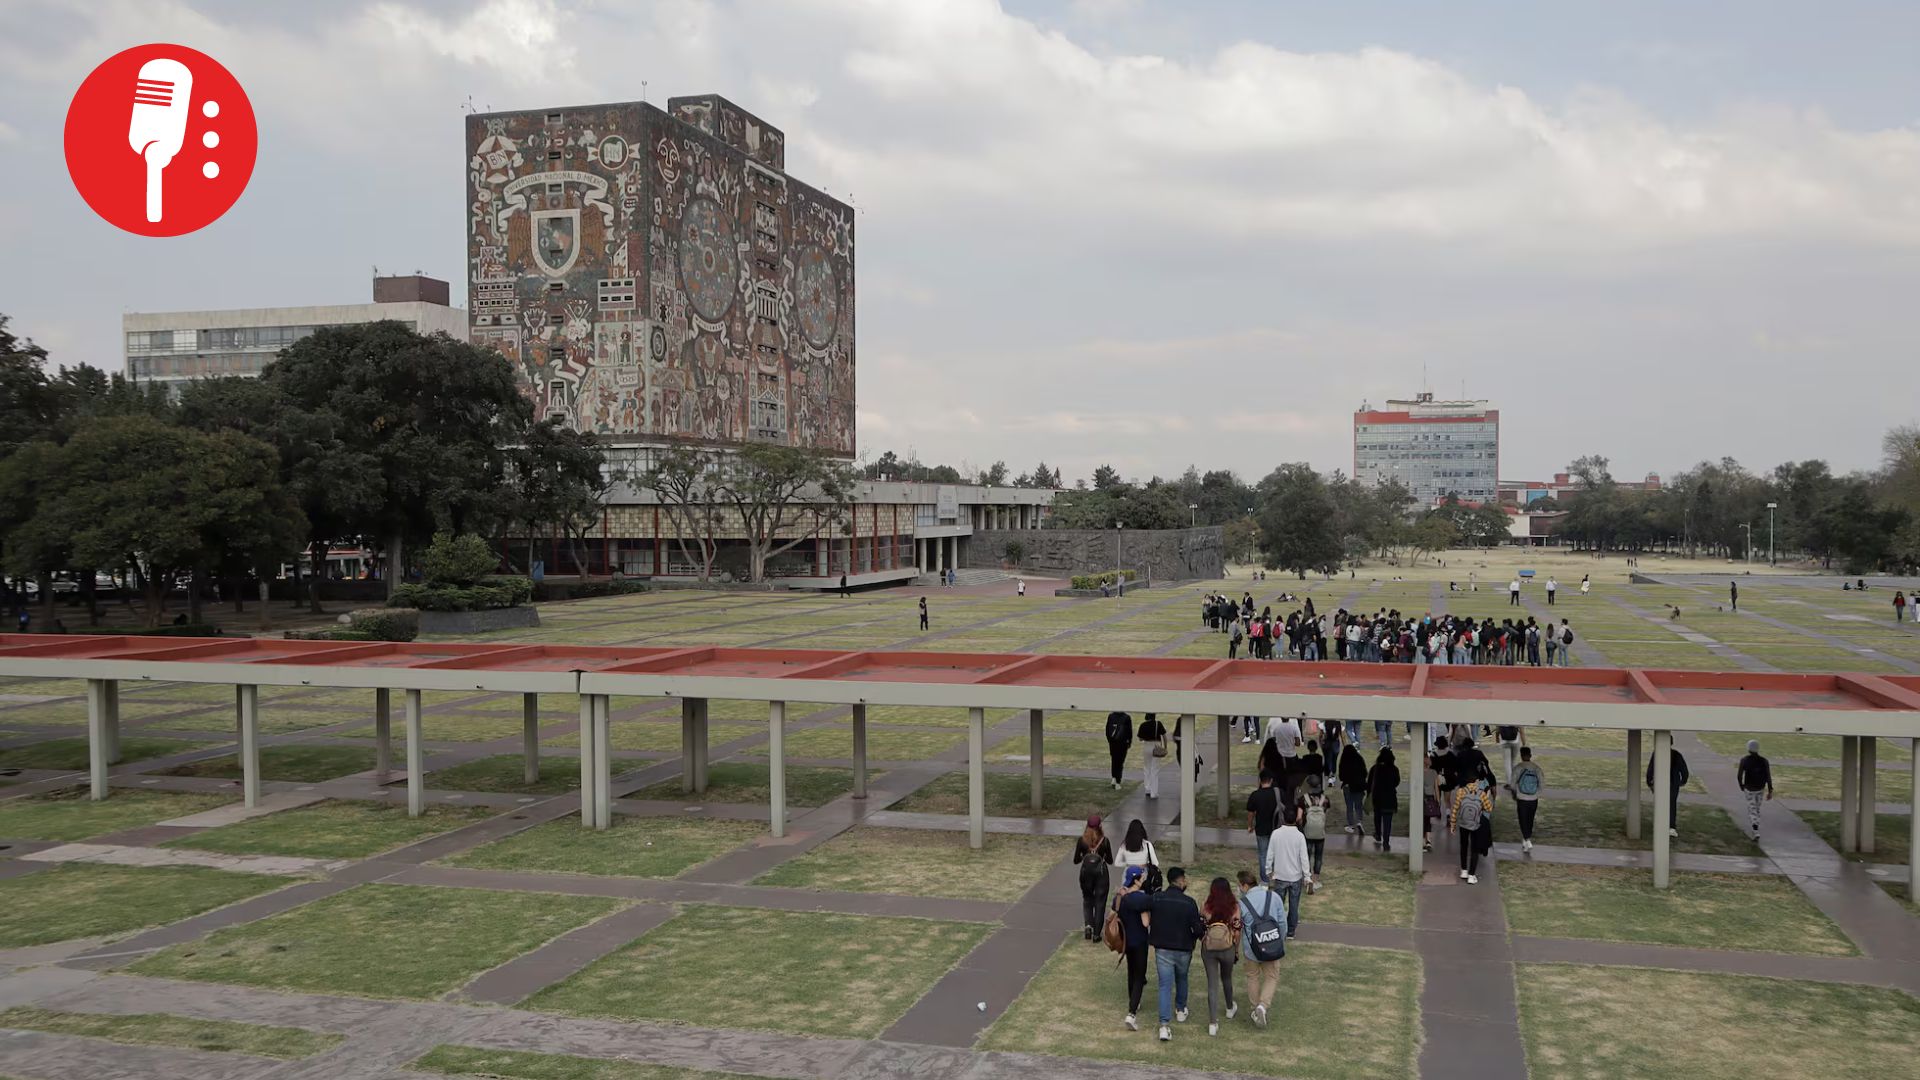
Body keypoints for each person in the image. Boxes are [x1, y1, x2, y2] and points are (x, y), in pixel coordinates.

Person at [1148, 866, 1206, 1042]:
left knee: (1165, 985)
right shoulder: (1189, 902)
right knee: (1182, 978)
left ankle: (1164, 1025)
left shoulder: (1156, 898)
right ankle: (1181, 1009)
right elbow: (1197, 929)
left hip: (1163, 948)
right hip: (1183, 948)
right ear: (1180, 880)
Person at [1235, 869, 1283, 1028]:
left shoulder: (1242, 904)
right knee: (1272, 976)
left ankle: (1255, 1008)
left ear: (1244, 885)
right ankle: (1263, 1005)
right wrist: (1278, 941)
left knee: (1252, 977)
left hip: (1252, 950)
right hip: (1272, 945)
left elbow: (1238, 928)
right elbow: (1282, 922)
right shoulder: (1273, 897)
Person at [1199, 876, 1241, 1036]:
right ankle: (1230, 1007)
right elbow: (1237, 930)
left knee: (1212, 984)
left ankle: (1212, 1022)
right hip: (1227, 947)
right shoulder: (1234, 906)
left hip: (1209, 948)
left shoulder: (1206, 905)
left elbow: (1201, 926)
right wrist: (1236, 949)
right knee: (1227, 978)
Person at [1113, 865, 1153, 1031]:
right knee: (1139, 975)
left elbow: (1112, 914)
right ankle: (1131, 1013)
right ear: (1136, 880)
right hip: (1140, 941)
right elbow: (1145, 923)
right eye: (1141, 877)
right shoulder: (1141, 899)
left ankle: (1133, 1003)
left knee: (1131, 971)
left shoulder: (1119, 898)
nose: (1143, 879)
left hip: (1126, 941)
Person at [1263, 805, 1310, 939]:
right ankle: (1290, 931)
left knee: (1278, 905)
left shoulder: (1276, 834)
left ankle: (1277, 929)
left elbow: (1270, 854)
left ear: (1283, 818)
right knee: (1294, 905)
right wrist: (1307, 876)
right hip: (1295, 877)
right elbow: (1304, 857)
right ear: (1295, 818)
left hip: (1280, 875)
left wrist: (1268, 870)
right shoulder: (1300, 836)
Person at [1074, 814, 1114, 940]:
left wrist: (1085, 857)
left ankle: (1088, 925)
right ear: (1100, 826)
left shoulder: (1082, 840)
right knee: (1100, 902)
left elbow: (1076, 860)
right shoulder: (1105, 841)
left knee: (1087, 899)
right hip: (1101, 874)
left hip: (1086, 874)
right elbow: (1110, 860)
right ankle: (1097, 934)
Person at [1452, 773, 1494, 883]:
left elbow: (1455, 809)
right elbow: (1489, 809)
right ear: (1476, 781)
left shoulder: (1461, 792)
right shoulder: (1481, 794)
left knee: (1464, 846)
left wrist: (1452, 824)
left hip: (1463, 823)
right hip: (1476, 824)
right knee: (1475, 849)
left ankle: (1464, 870)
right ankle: (1472, 875)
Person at [1644, 746, 1691, 837]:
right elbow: (1684, 769)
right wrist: (1683, 781)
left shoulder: (1657, 754)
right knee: (1672, 804)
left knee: (1660, 803)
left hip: (1660, 782)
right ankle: (1671, 827)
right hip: (1673, 783)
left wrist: (1650, 782)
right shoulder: (1676, 755)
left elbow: (1651, 768)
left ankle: (1660, 824)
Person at [1246, 769, 1281, 878]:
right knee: (1275, 853)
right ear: (1271, 780)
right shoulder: (1278, 794)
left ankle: (1265, 879)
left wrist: (1250, 825)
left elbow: (1251, 813)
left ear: (1260, 780)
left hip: (1261, 829)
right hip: (1275, 828)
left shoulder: (1255, 795)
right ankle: (1275, 876)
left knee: (1263, 854)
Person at [1507, 746, 1543, 852]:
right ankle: (1526, 840)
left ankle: (1527, 839)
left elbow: (1512, 784)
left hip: (1522, 798)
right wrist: (1536, 793)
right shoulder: (1536, 768)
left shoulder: (1518, 768)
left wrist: (1515, 794)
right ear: (1530, 755)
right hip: (1533, 799)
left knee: (1522, 820)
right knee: (1530, 820)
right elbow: (1542, 784)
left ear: (1521, 756)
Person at [1736, 739, 1773, 840]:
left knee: (1752, 808)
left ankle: (1755, 829)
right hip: (1760, 788)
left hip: (1749, 788)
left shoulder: (1744, 760)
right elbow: (1768, 776)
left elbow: (1739, 775)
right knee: (1756, 808)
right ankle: (1756, 826)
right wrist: (1770, 790)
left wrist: (1741, 785)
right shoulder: (1764, 761)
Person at [1368, 747, 1401, 853]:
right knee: (1388, 822)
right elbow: (1397, 782)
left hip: (1377, 797)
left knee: (1377, 818)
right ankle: (1386, 842)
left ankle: (1378, 834)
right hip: (1390, 798)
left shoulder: (1375, 768)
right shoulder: (1394, 769)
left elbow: (1369, 783)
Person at [1115, 818, 1159, 892]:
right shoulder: (1147, 845)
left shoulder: (1124, 845)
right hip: (1143, 874)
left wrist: (1128, 864)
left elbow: (1117, 863)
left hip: (1127, 873)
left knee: (1126, 894)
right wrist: (1145, 864)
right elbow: (1156, 863)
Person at [1337, 741, 1368, 835]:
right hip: (1359, 786)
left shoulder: (1344, 760)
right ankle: (1359, 821)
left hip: (1348, 786)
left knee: (1349, 807)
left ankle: (1351, 825)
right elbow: (1365, 773)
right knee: (1358, 805)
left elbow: (1341, 776)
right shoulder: (1359, 759)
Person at [1301, 791, 1328, 892]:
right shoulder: (1325, 800)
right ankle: (1315, 880)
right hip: (1320, 833)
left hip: (1308, 832)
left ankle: (1307, 879)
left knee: (1306, 855)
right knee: (1318, 856)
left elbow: (1299, 816)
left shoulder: (1304, 799)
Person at [1138, 713, 1168, 799]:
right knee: (1155, 769)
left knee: (1147, 767)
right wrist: (1165, 747)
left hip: (1146, 746)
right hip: (1156, 746)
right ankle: (1154, 793)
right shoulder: (1158, 724)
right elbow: (1164, 736)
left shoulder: (1143, 725)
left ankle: (1147, 788)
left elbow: (1140, 738)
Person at [1104, 710, 1132, 790]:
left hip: (1113, 742)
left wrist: (1110, 740)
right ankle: (1118, 782)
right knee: (1120, 762)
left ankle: (1113, 777)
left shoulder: (1111, 716)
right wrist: (1129, 741)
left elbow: (1107, 729)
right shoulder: (1127, 717)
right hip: (1122, 743)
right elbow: (1129, 731)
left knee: (1114, 760)